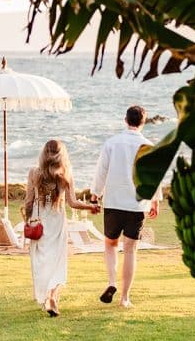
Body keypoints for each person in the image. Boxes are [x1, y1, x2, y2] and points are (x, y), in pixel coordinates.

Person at [91, 105, 159, 308]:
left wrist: (95, 195)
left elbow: (101, 171)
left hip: (113, 202)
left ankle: (112, 282)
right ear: (143, 122)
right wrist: (155, 200)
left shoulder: (112, 143)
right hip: (137, 205)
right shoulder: (148, 146)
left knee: (110, 245)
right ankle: (124, 298)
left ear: (125, 120)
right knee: (130, 250)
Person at [23, 139, 100, 317]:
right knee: (57, 260)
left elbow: (28, 201)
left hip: (38, 220)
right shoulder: (66, 175)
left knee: (41, 260)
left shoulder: (34, 173)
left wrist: (28, 221)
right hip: (57, 221)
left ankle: (48, 297)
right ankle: (52, 296)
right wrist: (91, 207)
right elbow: (73, 203)